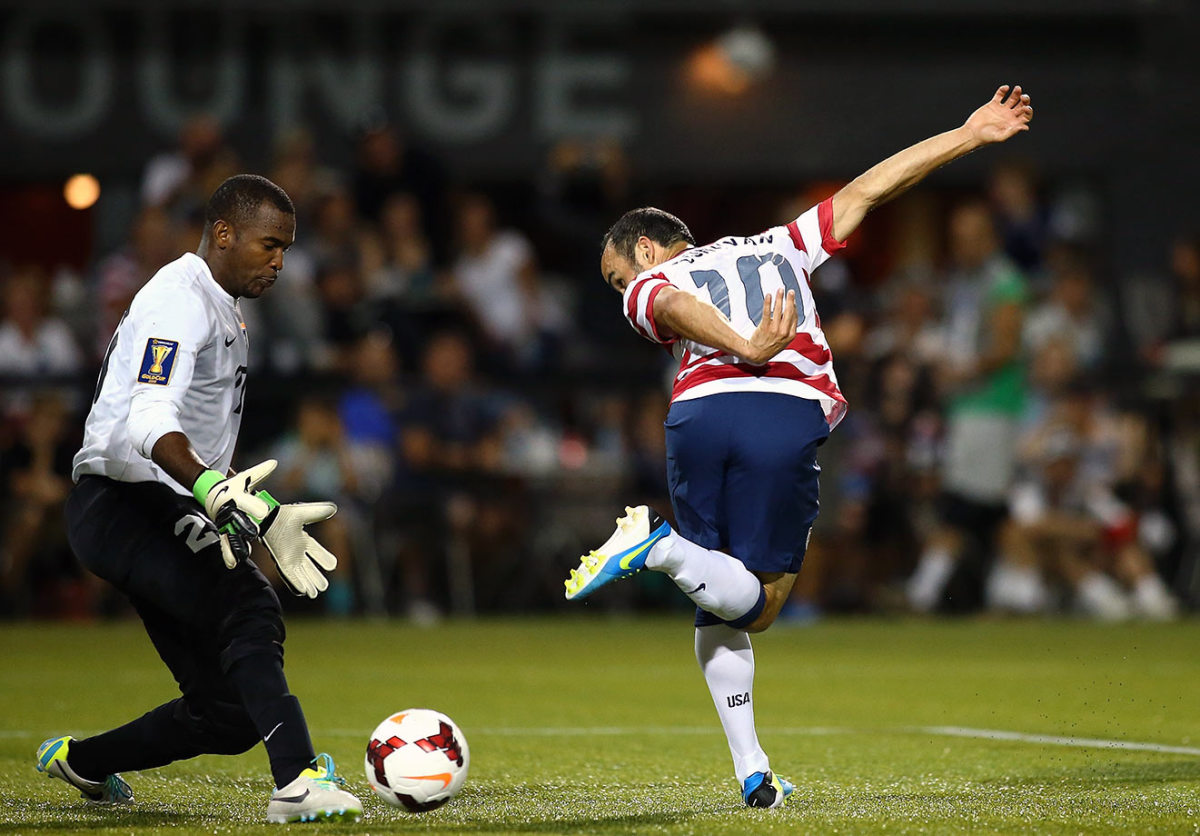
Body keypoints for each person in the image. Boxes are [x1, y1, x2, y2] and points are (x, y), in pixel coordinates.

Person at [564, 85, 1034, 808]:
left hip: (695, 419)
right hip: (777, 413)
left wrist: (735, 343)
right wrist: (968, 135)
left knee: (715, 601)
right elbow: (873, 187)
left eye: (617, 272)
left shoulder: (651, 279)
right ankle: (655, 547)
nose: (620, 286)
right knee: (763, 603)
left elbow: (668, 301)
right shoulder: (784, 241)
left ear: (647, 247)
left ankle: (753, 772)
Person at [36, 175, 362, 823]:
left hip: (149, 504)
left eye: (286, 250)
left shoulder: (219, 304)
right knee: (248, 605)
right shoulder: (180, 300)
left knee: (230, 714)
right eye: (269, 245)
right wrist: (211, 489)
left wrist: (258, 510)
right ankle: (297, 780)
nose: (279, 261)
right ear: (223, 234)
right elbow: (149, 418)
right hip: (125, 500)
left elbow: (199, 441)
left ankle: (86, 761)